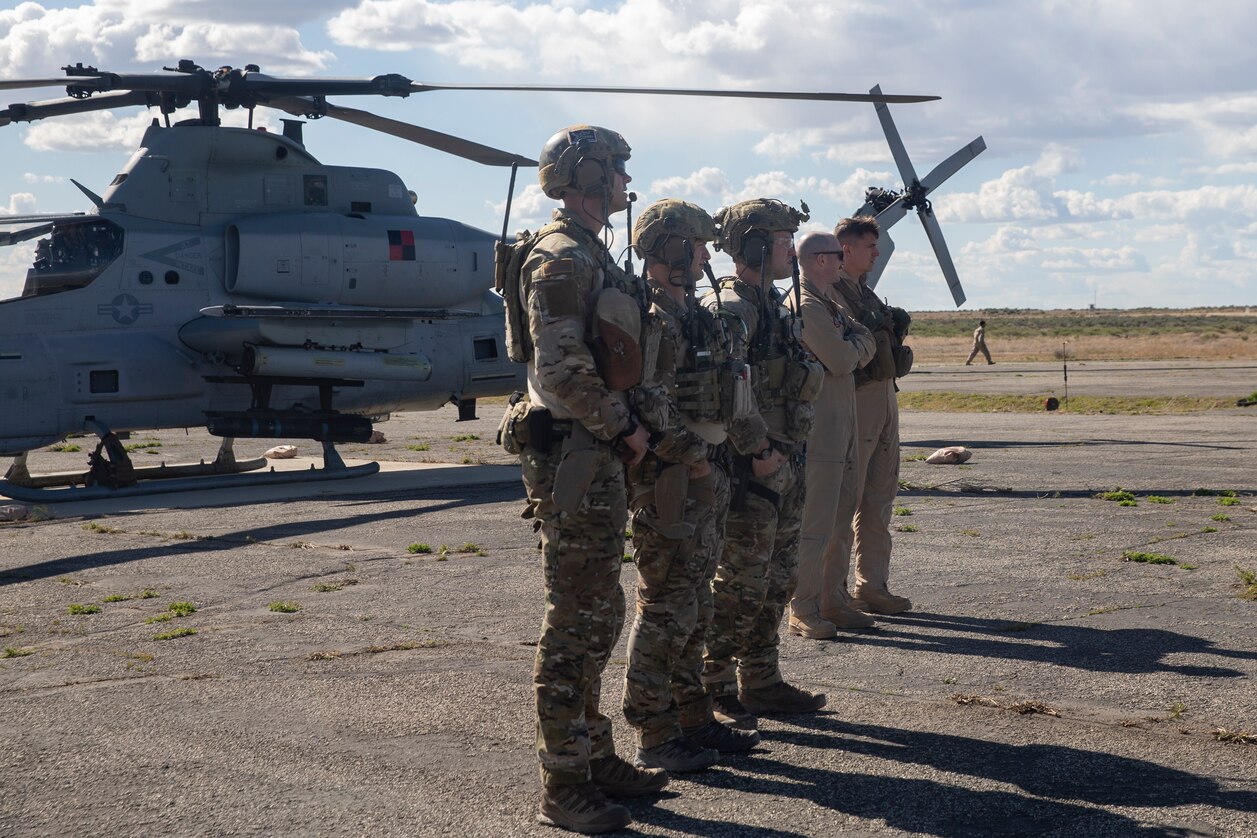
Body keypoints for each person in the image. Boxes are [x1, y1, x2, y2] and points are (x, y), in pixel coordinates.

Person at [497, 125, 664, 835]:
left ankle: (594, 756)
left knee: (601, 611)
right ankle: (563, 784)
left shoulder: (590, 251)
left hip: (593, 450)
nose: (626, 183)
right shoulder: (562, 257)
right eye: (617, 171)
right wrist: (625, 429)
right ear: (587, 177)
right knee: (575, 621)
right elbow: (563, 369)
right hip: (575, 451)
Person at [622, 199, 761, 773]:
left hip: (704, 470)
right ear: (670, 248)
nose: (706, 255)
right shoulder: (653, 315)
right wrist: (695, 457)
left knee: (696, 604)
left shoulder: (696, 313)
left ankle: (692, 718)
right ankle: (653, 732)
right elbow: (648, 400)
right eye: (696, 244)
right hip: (671, 478)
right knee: (666, 607)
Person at [701, 198, 828, 724]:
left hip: (784, 459)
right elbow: (728, 390)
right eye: (781, 241)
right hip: (749, 467)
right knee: (740, 582)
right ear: (753, 245)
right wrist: (759, 452)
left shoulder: (774, 303)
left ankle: (761, 678)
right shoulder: (734, 308)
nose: (791, 252)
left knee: (778, 578)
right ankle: (713, 683)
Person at [786, 232, 877, 637]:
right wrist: (854, 348)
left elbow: (865, 337)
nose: (844, 259)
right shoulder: (805, 304)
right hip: (819, 429)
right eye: (838, 254)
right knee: (816, 524)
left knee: (841, 518)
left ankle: (833, 601)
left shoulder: (831, 304)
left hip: (842, 424)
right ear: (819, 260)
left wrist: (854, 347)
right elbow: (841, 359)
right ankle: (803, 607)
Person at [828, 215, 914, 616]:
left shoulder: (866, 293)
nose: (877, 253)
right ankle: (832, 592)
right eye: (870, 246)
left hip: (884, 395)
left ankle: (872, 585)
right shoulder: (831, 293)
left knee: (880, 497)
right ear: (846, 249)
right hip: (856, 399)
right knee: (846, 500)